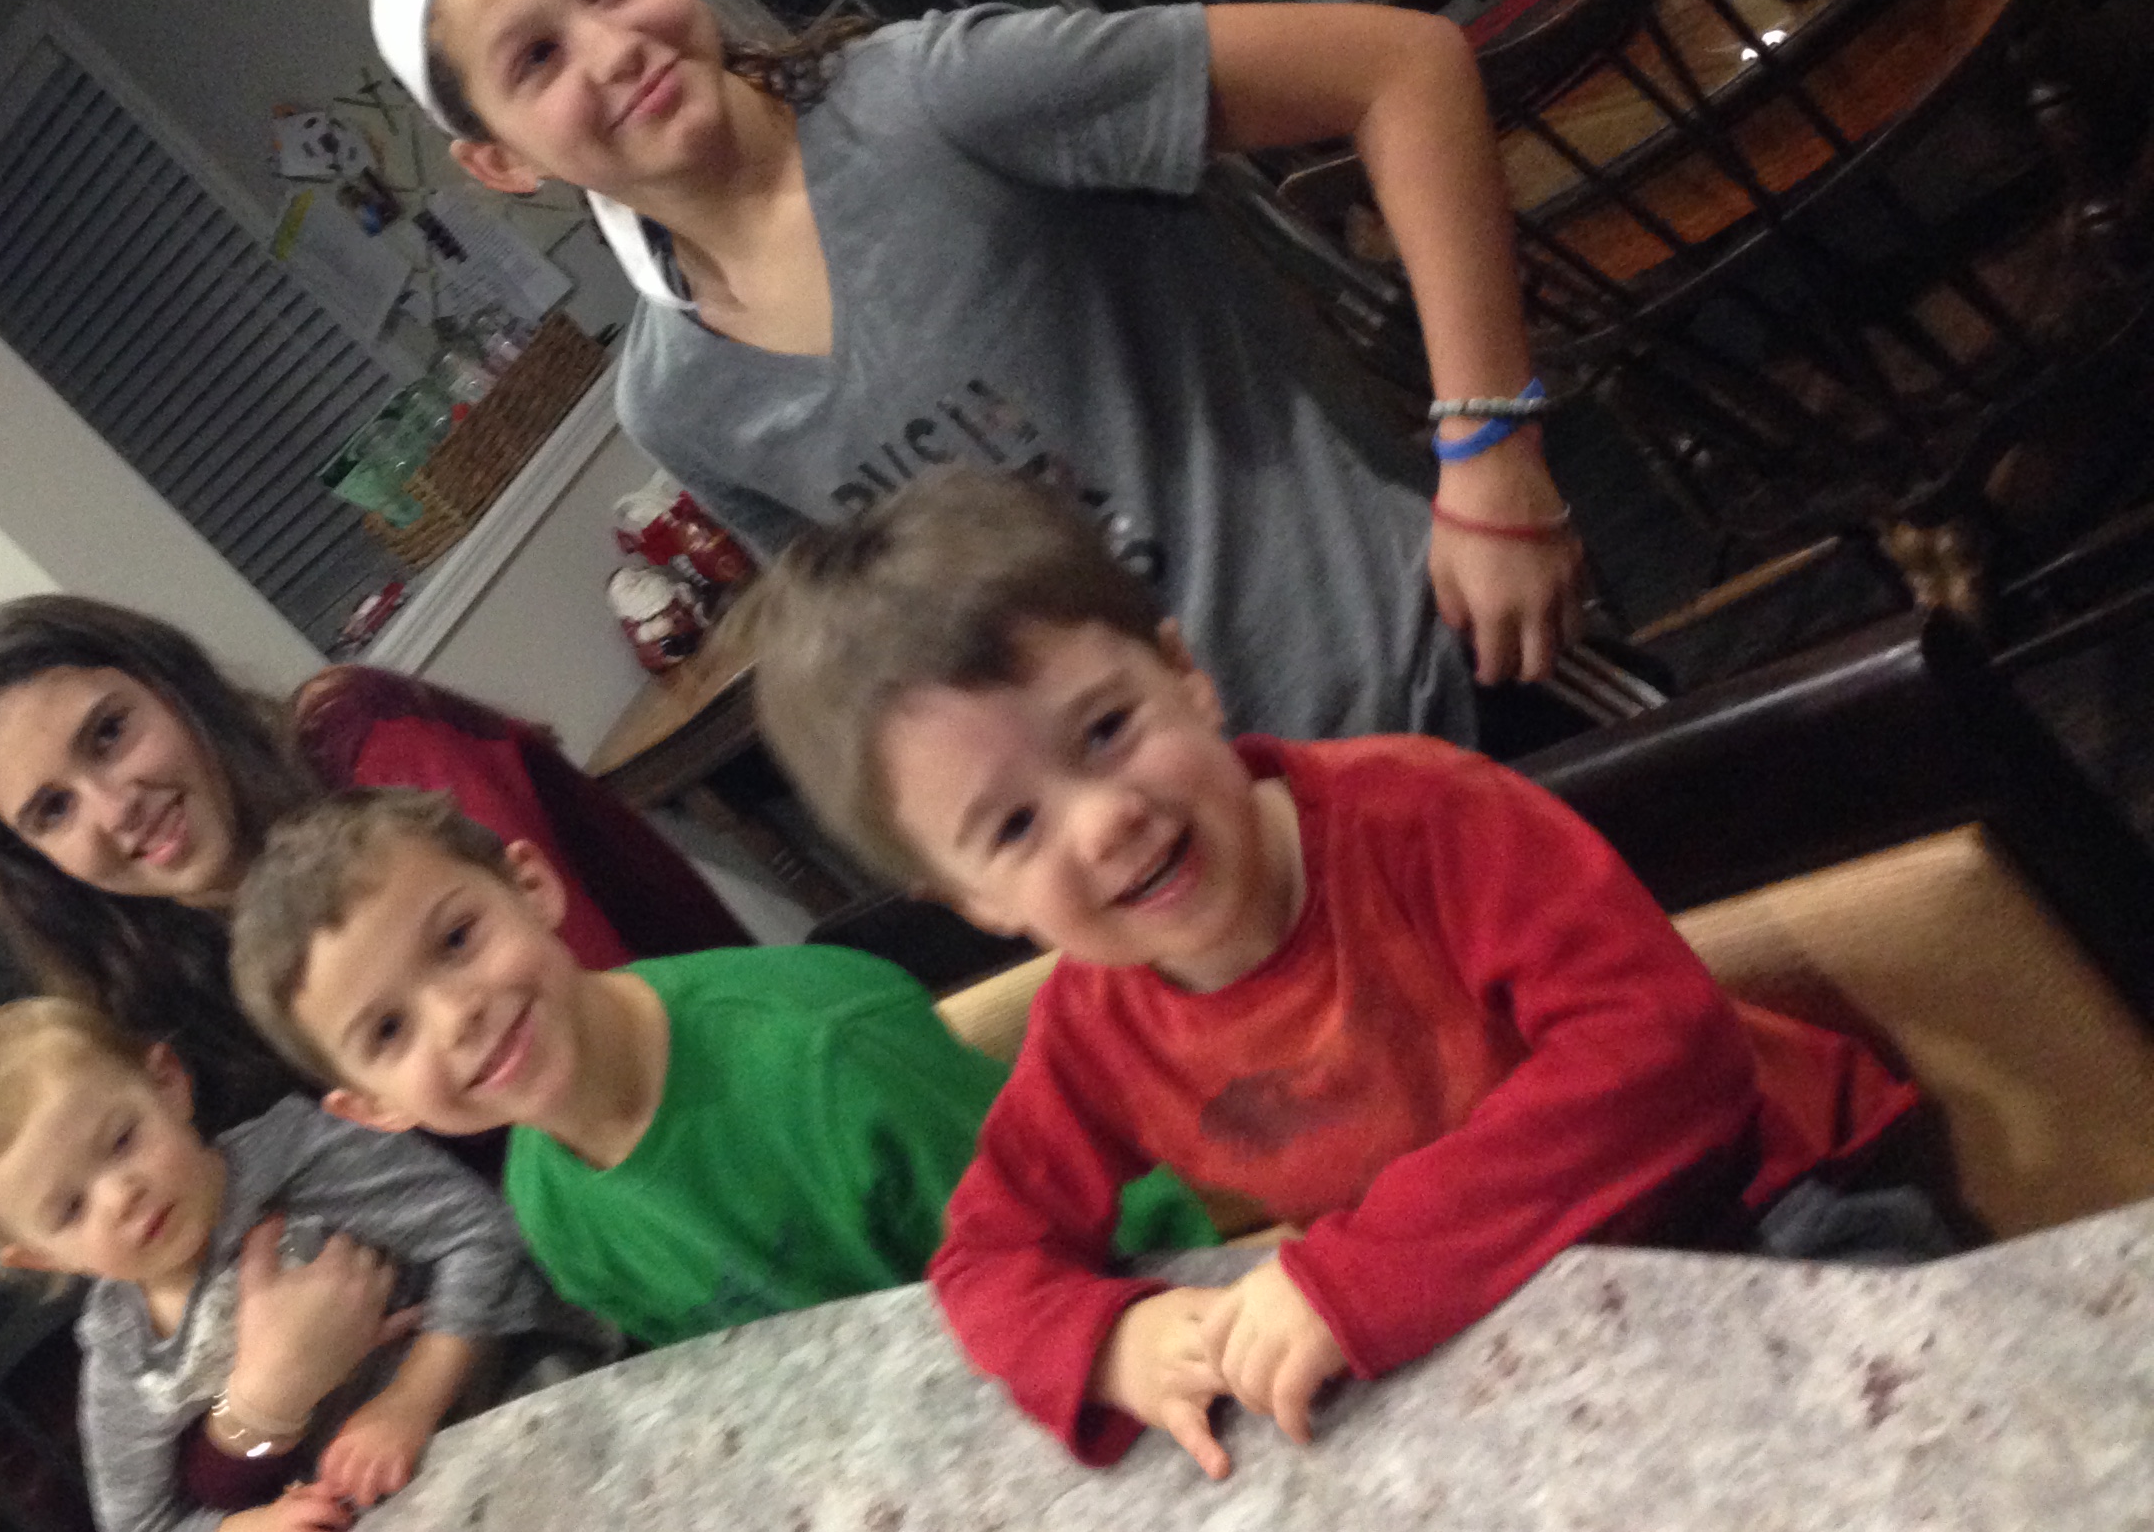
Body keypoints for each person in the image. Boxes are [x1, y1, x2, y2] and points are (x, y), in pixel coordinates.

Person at [747, 467, 1931, 1478]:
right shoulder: (1092, 1033)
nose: (1103, 821)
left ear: (1186, 674)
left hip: (1763, 1202)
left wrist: (1352, 1280)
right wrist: (1110, 1344)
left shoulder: (1421, 817)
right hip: (1503, 1315)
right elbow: (985, 1256)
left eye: (1107, 730)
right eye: (1013, 829)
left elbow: (1663, 1054)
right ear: (974, 905)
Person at [367, 0, 1587, 750]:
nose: (610, 48)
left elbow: (1401, 69)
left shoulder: (935, 102)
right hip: (1216, 856)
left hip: (1445, 685)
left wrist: (1489, 449)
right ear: (499, 161)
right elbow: (900, 662)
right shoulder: (679, 402)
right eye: (536, 59)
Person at [226, 786, 1217, 1349]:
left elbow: (1119, 1249)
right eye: (389, 1033)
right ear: (371, 1108)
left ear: (531, 887)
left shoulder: (824, 1056)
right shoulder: (547, 1199)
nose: (457, 1017)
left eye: (456, 940)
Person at [0, 594, 748, 1133]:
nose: (114, 807)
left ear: (173, 687)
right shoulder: (170, 1004)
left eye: (109, 733)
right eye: (54, 811)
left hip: (725, 1098)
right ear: (39, 868)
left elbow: (586, 1053)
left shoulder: (361, 737)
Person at [0, 996, 597, 1532]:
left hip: (514, 1399)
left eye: (122, 1140)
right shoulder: (123, 1358)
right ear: (42, 1257)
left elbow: (482, 1233)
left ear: (167, 1083)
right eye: (70, 1209)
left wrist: (413, 1397)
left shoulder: (299, 1155)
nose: (120, 1195)